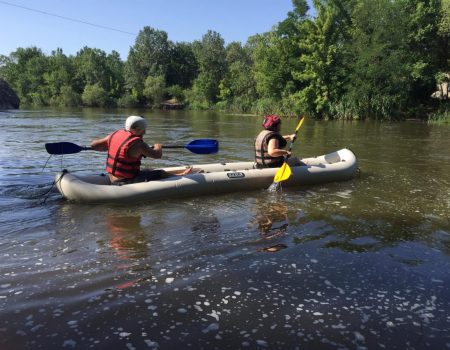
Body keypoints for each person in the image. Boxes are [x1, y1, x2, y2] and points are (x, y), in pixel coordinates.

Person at [91, 115, 192, 185]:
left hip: (111, 177)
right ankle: (182, 176)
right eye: (144, 130)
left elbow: (94, 145)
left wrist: (111, 146)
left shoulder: (114, 134)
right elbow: (157, 155)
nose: (145, 132)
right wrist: (158, 147)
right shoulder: (139, 144)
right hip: (124, 182)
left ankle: (180, 174)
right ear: (139, 130)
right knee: (160, 173)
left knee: (149, 170)